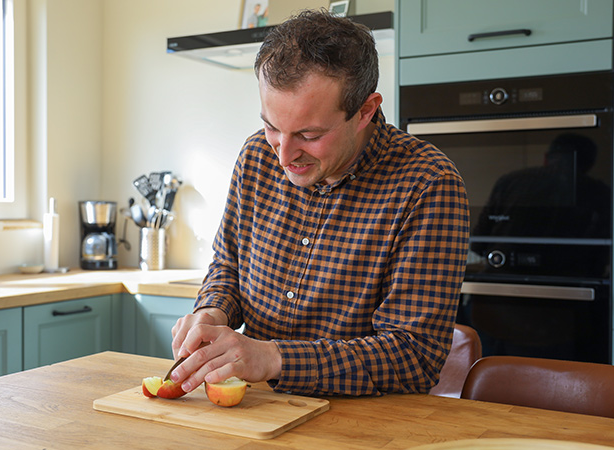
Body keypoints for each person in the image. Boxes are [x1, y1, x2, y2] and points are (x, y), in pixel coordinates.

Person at [170, 10, 470, 397]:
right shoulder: (257, 156)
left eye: (309, 135)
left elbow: (414, 355)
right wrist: (213, 311)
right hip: (258, 411)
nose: (284, 155)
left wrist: (274, 358)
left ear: (365, 110)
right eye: (272, 126)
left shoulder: (427, 184)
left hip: (365, 424)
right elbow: (228, 265)